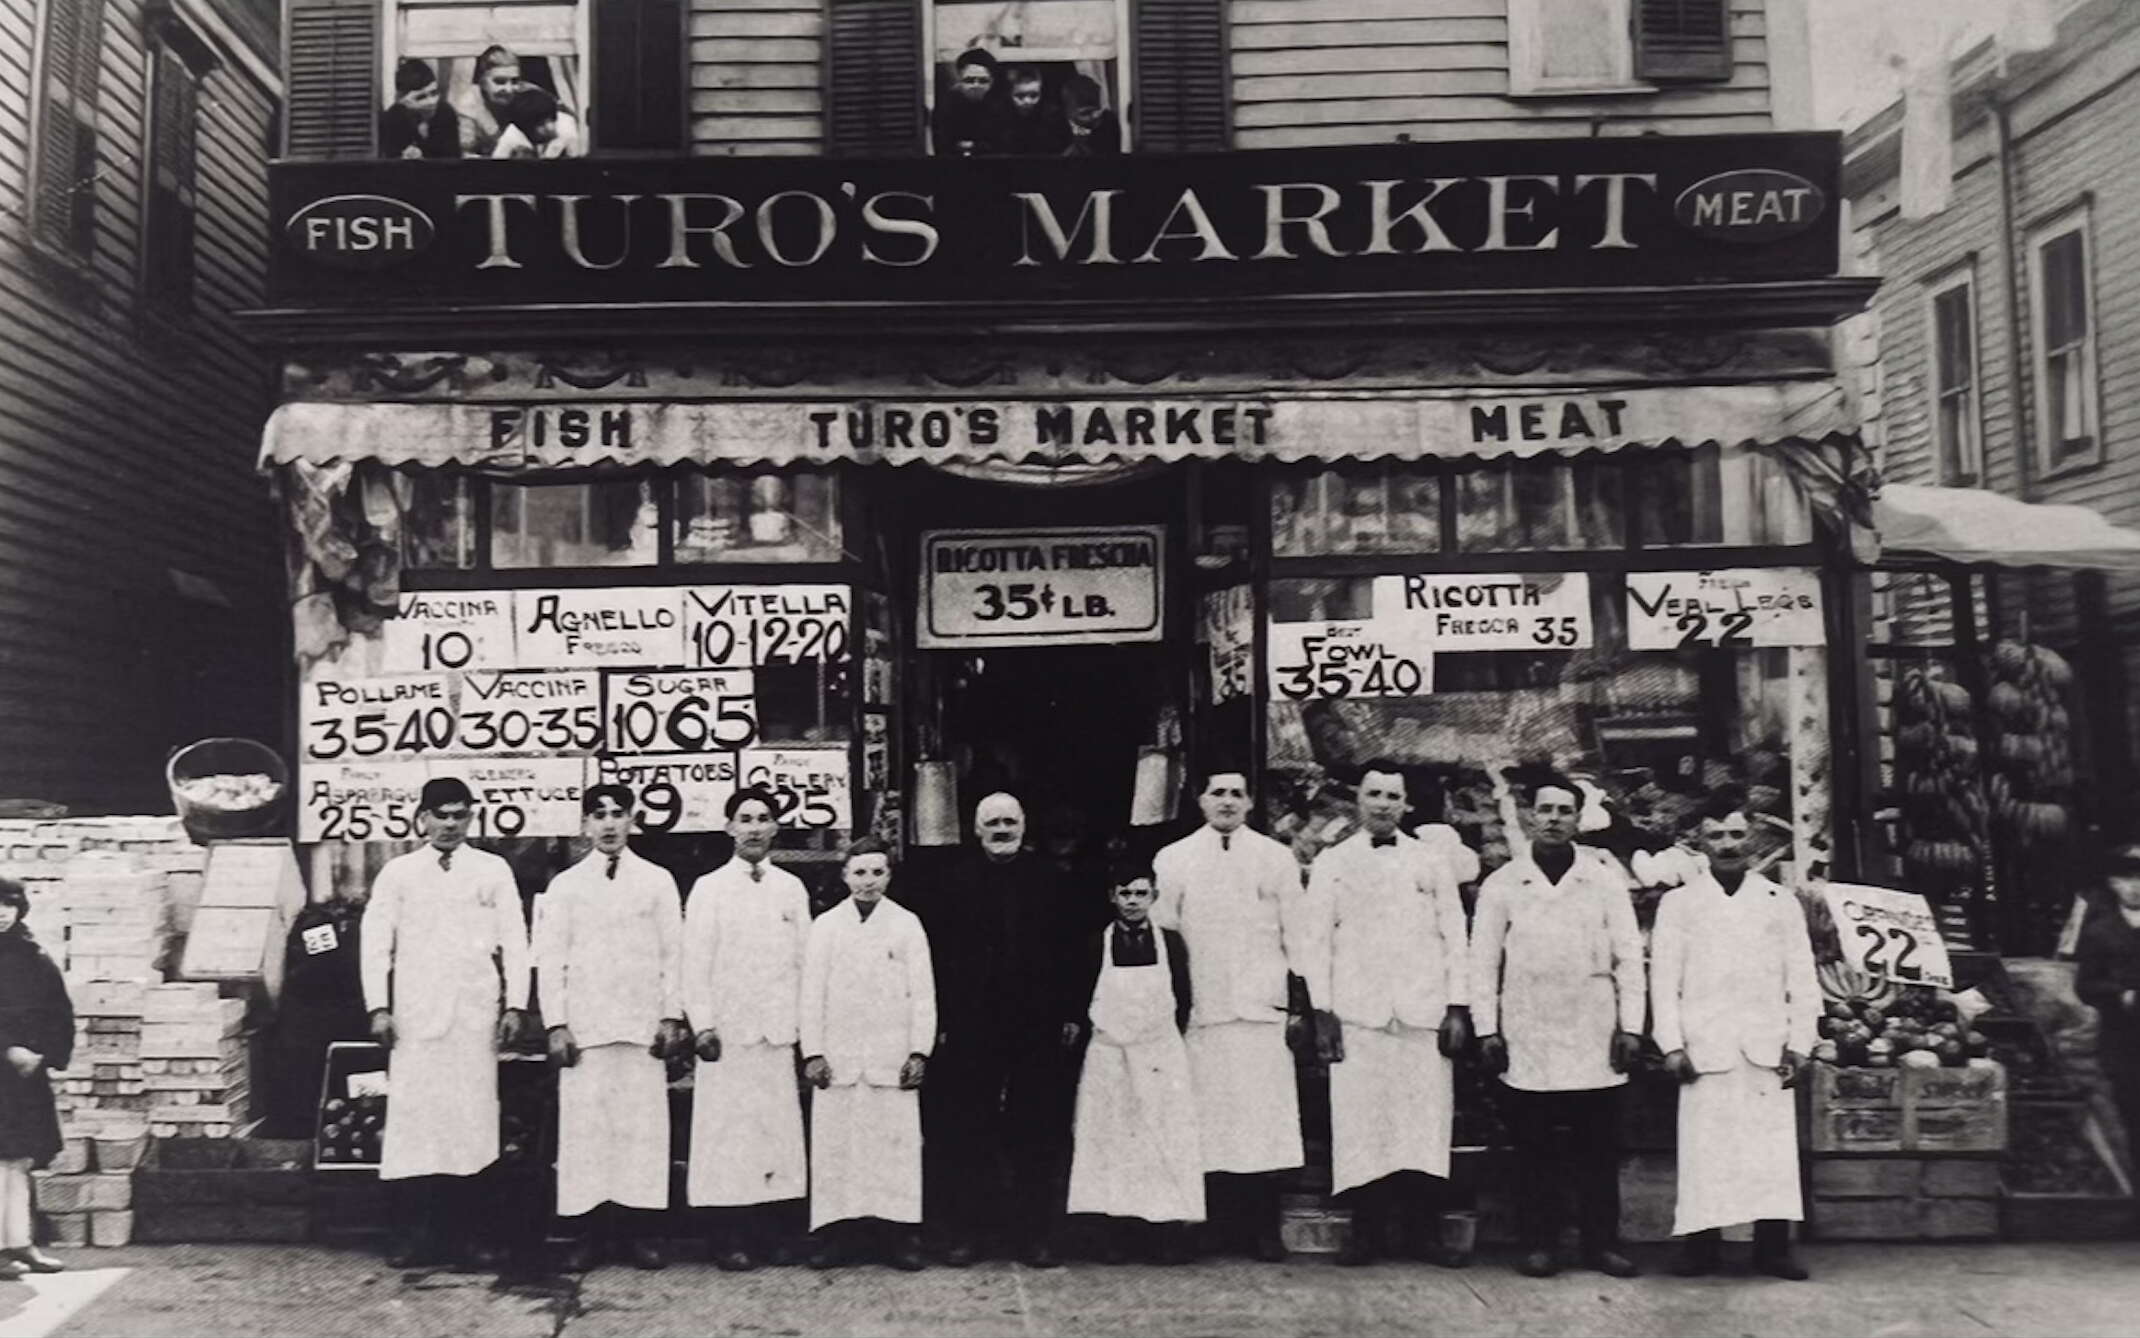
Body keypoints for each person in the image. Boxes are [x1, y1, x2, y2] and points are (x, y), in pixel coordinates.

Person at [1471, 771, 1645, 1279]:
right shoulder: (1503, 883)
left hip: (1593, 1028)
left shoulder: (1604, 880)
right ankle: (1539, 1242)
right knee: (1534, 1148)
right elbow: (1481, 961)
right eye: (1544, 810)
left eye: (1563, 811)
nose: (1553, 819)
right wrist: (1488, 1029)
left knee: (1598, 1148)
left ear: (1577, 819)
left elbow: (1629, 958)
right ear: (1530, 817)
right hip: (1529, 1029)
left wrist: (1630, 1027)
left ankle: (1601, 1244)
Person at [1152, 769, 1327, 1262]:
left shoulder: (1274, 858)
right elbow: (1164, 938)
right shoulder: (1174, 858)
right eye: (1217, 793)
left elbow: (1299, 934)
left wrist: (1299, 1006)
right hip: (1201, 1013)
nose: (1227, 801)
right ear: (1200, 800)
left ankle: (1261, 1228)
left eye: (1236, 793)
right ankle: (1204, 1228)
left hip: (1260, 1011)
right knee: (1204, 1123)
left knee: (1261, 1123)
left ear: (1250, 802)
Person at [360, 777, 532, 1271]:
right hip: (414, 1020)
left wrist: (515, 1005)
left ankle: (474, 1237)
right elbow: (376, 944)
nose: (450, 824)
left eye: (460, 814)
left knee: (472, 1126)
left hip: (474, 1020)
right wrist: (379, 1007)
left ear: (472, 818)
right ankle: (415, 1236)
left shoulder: (493, 869)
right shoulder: (398, 873)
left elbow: (515, 942)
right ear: (423, 818)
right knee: (416, 1126)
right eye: (441, 814)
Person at [1651, 790, 1818, 1281]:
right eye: (1716, 835)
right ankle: (1701, 1247)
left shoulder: (1777, 901)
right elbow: (1663, 980)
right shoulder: (1679, 904)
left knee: (1770, 1150)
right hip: (1706, 1045)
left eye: (1736, 834)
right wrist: (1671, 1044)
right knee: (1707, 1148)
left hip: (1765, 1044)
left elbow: (1802, 978)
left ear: (1753, 838)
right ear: (1698, 841)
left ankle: (1772, 1249)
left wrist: (1800, 1041)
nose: (1727, 844)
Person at [1309, 763, 1471, 1268]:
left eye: (1391, 796)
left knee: (1422, 1127)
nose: (1382, 803)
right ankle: (1367, 1234)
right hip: (1359, 1016)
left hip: (1421, 1014)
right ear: (1357, 800)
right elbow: (1314, 943)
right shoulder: (1332, 862)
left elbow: (1454, 936)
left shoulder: (1431, 861)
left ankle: (1422, 1234)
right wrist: (1323, 1012)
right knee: (1363, 1126)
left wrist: (1457, 1007)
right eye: (1373, 794)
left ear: (1406, 805)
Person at [917, 791, 1082, 1267]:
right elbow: (937, 960)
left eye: (1011, 820)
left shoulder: (1052, 879)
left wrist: (1071, 1012)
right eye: (992, 822)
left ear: (1024, 827)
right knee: (967, 1131)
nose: (1002, 828)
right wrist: (942, 1021)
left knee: (1038, 1130)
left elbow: (1073, 953)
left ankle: (1034, 1235)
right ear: (976, 829)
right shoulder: (952, 881)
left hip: (1038, 1024)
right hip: (973, 1023)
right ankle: (969, 1233)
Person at [534, 784, 689, 1273]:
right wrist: (557, 1024)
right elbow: (551, 960)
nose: (607, 823)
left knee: (641, 1133)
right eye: (597, 815)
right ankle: (586, 1234)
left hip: (641, 1028)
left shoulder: (658, 881)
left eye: (617, 814)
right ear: (584, 824)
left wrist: (670, 1015)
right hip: (587, 1030)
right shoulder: (566, 886)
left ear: (632, 819)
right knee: (585, 1135)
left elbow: (674, 954)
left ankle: (639, 1233)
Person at [683, 787, 811, 1269]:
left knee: (776, 1132)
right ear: (729, 828)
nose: (754, 827)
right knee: (727, 1135)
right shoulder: (709, 888)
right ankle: (728, 1236)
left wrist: (804, 1032)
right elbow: (694, 964)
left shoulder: (790, 889)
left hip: (776, 1032)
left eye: (763, 818)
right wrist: (704, 1024)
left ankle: (774, 1233)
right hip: (727, 1035)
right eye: (745, 819)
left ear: (775, 828)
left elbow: (806, 962)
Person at [800, 838, 935, 1271]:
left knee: (892, 1150)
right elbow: (811, 994)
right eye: (859, 872)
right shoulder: (825, 926)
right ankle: (836, 1237)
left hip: (889, 1058)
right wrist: (814, 1052)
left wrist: (919, 1050)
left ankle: (899, 1238)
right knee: (837, 1150)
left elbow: (923, 995)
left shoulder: (907, 924)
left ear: (889, 875)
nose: (868, 881)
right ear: (844, 876)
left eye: (877, 872)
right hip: (838, 1058)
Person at [1066, 863, 1200, 1264]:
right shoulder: (1096, 943)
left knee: (1163, 1139)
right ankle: (1115, 1235)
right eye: (1125, 894)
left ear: (1154, 897)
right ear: (1113, 897)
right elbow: (1083, 995)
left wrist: (1157, 1042)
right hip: (1110, 1056)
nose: (1132, 902)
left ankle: (1165, 1235)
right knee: (1112, 1139)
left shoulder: (1172, 943)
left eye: (1141, 894)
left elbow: (1183, 998)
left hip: (1159, 1055)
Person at [0, 879, 70, 1279]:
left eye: (9, 904)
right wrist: (8, 1047)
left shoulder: (33, 955)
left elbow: (58, 1010)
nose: (1, 912)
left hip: (25, 1075)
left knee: (19, 1160)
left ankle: (19, 1241)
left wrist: (44, 1052)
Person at [2073, 843, 2140, 1168]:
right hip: (2123, 1040)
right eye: (2128, 879)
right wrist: (2121, 993)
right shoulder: (2102, 932)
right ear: (2113, 884)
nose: (2136, 888)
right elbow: (2085, 986)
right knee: (2132, 1114)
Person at [378, 58, 460, 160]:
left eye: (434, 93)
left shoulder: (446, 113)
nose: (431, 101)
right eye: (421, 97)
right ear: (404, 99)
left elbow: (454, 159)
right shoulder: (393, 118)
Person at [931, 48, 1007, 156]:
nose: (976, 86)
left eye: (983, 81)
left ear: (992, 82)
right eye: (969, 80)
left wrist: (971, 146)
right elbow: (943, 147)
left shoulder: (1001, 108)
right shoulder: (945, 108)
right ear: (960, 80)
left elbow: (1001, 147)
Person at [493, 85, 576, 160]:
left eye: (553, 120)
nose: (550, 127)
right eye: (541, 124)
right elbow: (495, 166)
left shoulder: (567, 128)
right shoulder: (512, 135)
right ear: (524, 127)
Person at [1001, 66, 1069, 155]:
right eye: (1020, 96)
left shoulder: (1054, 117)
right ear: (1009, 94)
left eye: (1034, 95)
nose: (1027, 101)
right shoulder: (999, 118)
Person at [1061, 75, 1122, 157]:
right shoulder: (1057, 131)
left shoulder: (1108, 124)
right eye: (1085, 113)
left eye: (1096, 112)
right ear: (1068, 112)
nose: (1092, 117)